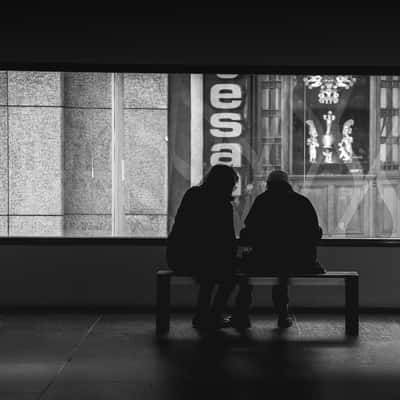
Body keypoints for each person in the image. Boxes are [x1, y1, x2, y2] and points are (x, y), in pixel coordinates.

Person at [238, 170, 325, 328]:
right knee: (283, 264)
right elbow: (316, 234)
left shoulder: (262, 201)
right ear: (287, 184)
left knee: (245, 267)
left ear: (268, 184)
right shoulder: (302, 202)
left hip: (264, 260)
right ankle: (282, 314)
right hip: (300, 262)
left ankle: (242, 313)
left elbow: (247, 233)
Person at [167, 165, 239, 331]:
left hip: (177, 256)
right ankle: (213, 315)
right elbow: (226, 240)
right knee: (228, 274)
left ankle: (203, 315)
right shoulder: (223, 205)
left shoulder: (192, 194)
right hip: (202, 260)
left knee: (210, 268)